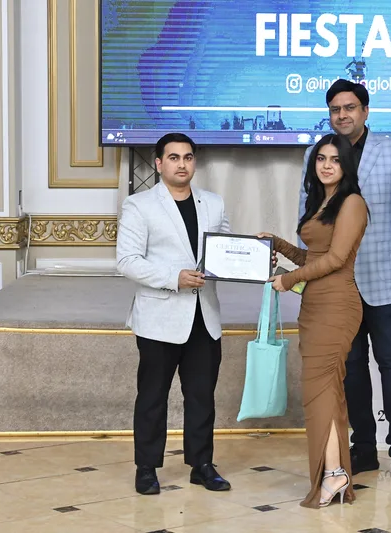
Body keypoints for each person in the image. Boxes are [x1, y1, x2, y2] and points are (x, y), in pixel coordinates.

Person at [299, 80, 391, 483]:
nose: (342, 115)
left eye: (350, 107)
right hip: (336, 288)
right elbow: (309, 219)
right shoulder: (317, 155)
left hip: (384, 283)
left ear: (365, 111)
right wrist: (301, 275)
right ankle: (364, 448)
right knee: (350, 370)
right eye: (335, 109)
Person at [116, 133, 232, 495]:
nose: (182, 164)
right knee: (152, 397)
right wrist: (173, 278)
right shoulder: (139, 205)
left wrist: (258, 259)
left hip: (204, 317)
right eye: (174, 157)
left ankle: (202, 465)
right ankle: (146, 468)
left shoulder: (213, 203)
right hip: (159, 318)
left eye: (188, 157)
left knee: (202, 397)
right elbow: (127, 260)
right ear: (159, 163)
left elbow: (225, 252)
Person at [264, 133, 369, 508]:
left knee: (320, 391)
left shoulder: (352, 202)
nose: (327, 165)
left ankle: (334, 472)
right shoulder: (321, 201)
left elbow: (337, 259)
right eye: (321, 158)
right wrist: (277, 244)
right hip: (313, 305)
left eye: (335, 159)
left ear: (346, 165)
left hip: (337, 305)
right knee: (327, 392)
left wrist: (288, 280)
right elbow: (314, 257)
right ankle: (335, 473)